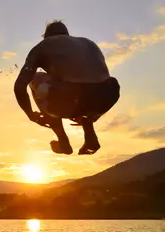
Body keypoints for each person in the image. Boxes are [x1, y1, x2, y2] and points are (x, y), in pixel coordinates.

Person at [14, 20, 120, 155]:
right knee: (83, 87)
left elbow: (19, 86)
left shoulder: (44, 46)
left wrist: (30, 114)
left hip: (70, 98)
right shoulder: (89, 43)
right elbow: (94, 80)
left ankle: (63, 140)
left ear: (46, 36)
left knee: (34, 78)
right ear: (67, 34)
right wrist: (95, 114)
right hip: (106, 97)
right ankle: (90, 135)